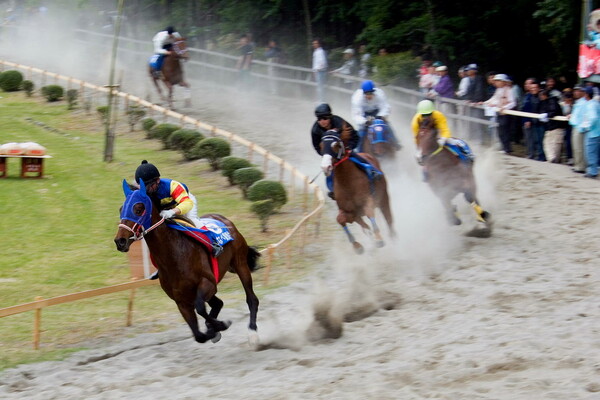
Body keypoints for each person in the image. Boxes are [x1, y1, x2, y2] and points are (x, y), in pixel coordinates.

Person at [134, 160, 223, 279]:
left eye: (149, 186)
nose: (147, 190)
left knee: (194, 222)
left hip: (184, 204)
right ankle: (161, 267)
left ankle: (213, 243)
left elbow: (187, 203)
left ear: (157, 181)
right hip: (164, 211)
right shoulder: (146, 190)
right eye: (144, 187)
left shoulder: (172, 186)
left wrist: (173, 212)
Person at [311, 104, 380, 199]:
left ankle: (372, 171)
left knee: (354, 157)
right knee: (328, 170)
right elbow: (316, 147)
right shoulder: (315, 130)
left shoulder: (340, 123)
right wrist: (326, 154)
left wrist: (349, 148)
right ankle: (333, 190)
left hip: (345, 148)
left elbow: (355, 136)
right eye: (319, 119)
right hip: (331, 154)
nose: (322, 121)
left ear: (330, 117)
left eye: (324, 118)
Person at [351, 80, 401, 150]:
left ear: (374, 91)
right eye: (366, 94)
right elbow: (357, 115)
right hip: (363, 114)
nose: (369, 96)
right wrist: (365, 122)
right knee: (362, 131)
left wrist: (381, 116)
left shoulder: (380, 94)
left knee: (387, 125)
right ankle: (358, 150)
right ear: (363, 93)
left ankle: (396, 143)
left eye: (370, 93)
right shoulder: (357, 98)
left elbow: (385, 107)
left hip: (377, 112)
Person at [483, 74, 516, 154]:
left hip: (505, 114)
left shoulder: (509, 90)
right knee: (500, 131)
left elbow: (513, 103)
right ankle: (504, 147)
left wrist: (505, 107)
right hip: (498, 113)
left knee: (505, 131)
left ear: (503, 82)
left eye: (498, 81)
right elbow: (494, 99)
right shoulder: (498, 90)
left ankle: (507, 149)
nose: (496, 83)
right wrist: (485, 102)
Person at [578, 86, 600, 178]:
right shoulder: (595, 103)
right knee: (594, 152)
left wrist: (587, 127)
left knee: (590, 152)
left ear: (586, 94)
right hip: (596, 132)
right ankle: (593, 171)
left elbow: (593, 118)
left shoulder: (591, 105)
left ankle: (593, 172)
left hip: (592, 132)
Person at [538, 89, 565, 163]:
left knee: (555, 145)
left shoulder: (552, 101)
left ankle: (554, 160)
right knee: (547, 143)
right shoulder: (543, 103)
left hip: (557, 127)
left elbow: (554, 111)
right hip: (549, 127)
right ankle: (551, 159)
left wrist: (547, 115)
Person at [521, 81, 546, 160]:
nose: (533, 89)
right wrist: (527, 120)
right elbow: (525, 109)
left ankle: (542, 156)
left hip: (541, 122)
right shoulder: (528, 97)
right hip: (532, 122)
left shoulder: (541, 97)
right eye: (532, 88)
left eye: (535, 88)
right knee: (534, 139)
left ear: (538, 88)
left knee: (541, 139)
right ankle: (535, 154)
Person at [569, 86, 588, 173]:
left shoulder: (584, 103)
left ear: (582, 92)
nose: (575, 93)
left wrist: (582, 127)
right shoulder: (578, 102)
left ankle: (581, 166)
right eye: (575, 91)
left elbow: (584, 116)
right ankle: (577, 164)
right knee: (575, 147)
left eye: (578, 91)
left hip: (580, 127)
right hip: (575, 126)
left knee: (579, 147)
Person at [312, 38, 328, 103]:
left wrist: (318, 69)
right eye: (313, 43)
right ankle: (320, 100)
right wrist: (314, 70)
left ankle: (322, 101)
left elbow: (323, 62)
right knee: (319, 87)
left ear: (319, 44)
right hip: (318, 71)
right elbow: (315, 62)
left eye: (315, 43)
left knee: (320, 87)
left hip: (320, 71)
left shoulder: (321, 52)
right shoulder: (316, 52)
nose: (314, 45)